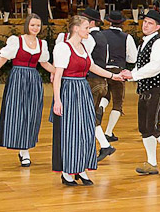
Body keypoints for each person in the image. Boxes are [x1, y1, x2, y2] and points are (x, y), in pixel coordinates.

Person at [52, 15, 123, 186]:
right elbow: (57, 75)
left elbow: (93, 67)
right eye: (85, 27)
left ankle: (81, 168)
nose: (88, 30)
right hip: (69, 91)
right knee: (71, 132)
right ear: (76, 28)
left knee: (85, 130)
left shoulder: (84, 46)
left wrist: (114, 75)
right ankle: (68, 172)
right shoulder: (63, 48)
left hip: (83, 90)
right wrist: (57, 100)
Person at [0, 14, 54, 167]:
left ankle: (25, 148)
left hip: (34, 80)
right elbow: (2, 59)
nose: (35, 28)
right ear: (27, 25)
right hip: (18, 79)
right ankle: (23, 150)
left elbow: (45, 64)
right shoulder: (17, 41)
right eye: (33, 25)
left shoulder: (42, 44)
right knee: (18, 113)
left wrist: (58, 72)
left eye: (38, 25)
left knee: (32, 114)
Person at [120, 10, 160, 176]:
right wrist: (129, 74)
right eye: (144, 22)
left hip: (159, 87)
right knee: (144, 127)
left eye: (150, 23)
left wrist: (133, 75)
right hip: (147, 87)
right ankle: (151, 163)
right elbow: (141, 67)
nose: (145, 25)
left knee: (153, 125)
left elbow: (155, 67)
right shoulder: (144, 43)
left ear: (158, 27)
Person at [79, 7, 116, 163]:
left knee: (88, 117)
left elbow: (86, 61)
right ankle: (103, 145)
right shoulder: (102, 37)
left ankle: (103, 145)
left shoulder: (89, 38)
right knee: (91, 116)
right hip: (102, 81)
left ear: (91, 22)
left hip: (92, 80)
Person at [101, 11, 137, 142]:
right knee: (117, 103)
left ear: (109, 22)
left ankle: (101, 108)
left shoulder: (101, 35)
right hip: (118, 70)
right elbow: (132, 59)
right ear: (122, 23)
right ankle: (108, 132)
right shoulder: (126, 37)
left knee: (104, 96)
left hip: (102, 70)